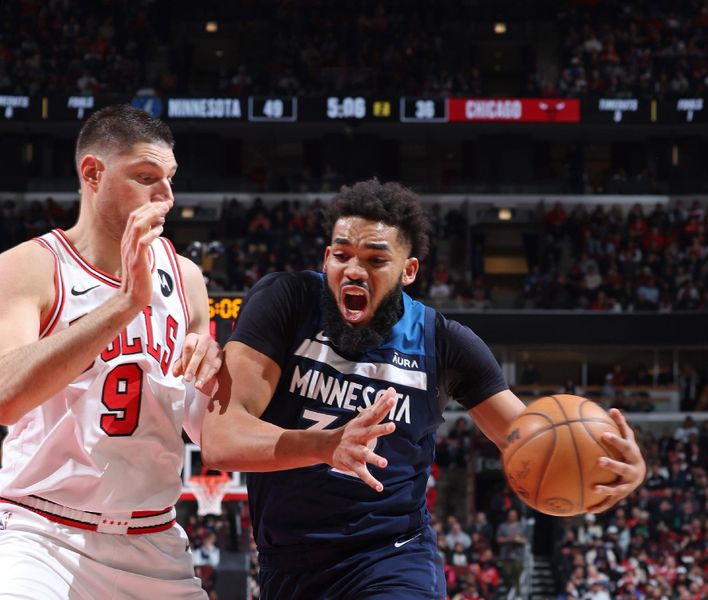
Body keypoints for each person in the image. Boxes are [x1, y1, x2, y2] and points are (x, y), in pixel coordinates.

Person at [202, 179, 646, 599]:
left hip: (391, 554)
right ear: (325, 259)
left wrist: (610, 473)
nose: (354, 270)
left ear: (408, 270)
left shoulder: (443, 342)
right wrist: (327, 445)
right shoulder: (288, 301)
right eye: (342, 256)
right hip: (286, 562)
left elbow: (532, 443)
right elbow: (222, 440)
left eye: (376, 260)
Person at [0, 104, 221, 599]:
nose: (164, 194)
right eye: (146, 177)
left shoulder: (186, 277)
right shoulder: (30, 267)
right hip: (42, 535)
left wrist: (216, 370)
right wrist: (124, 306)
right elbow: (5, 395)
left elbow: (202, 425)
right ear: (93, 173)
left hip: (155, 538)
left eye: (169, 178)